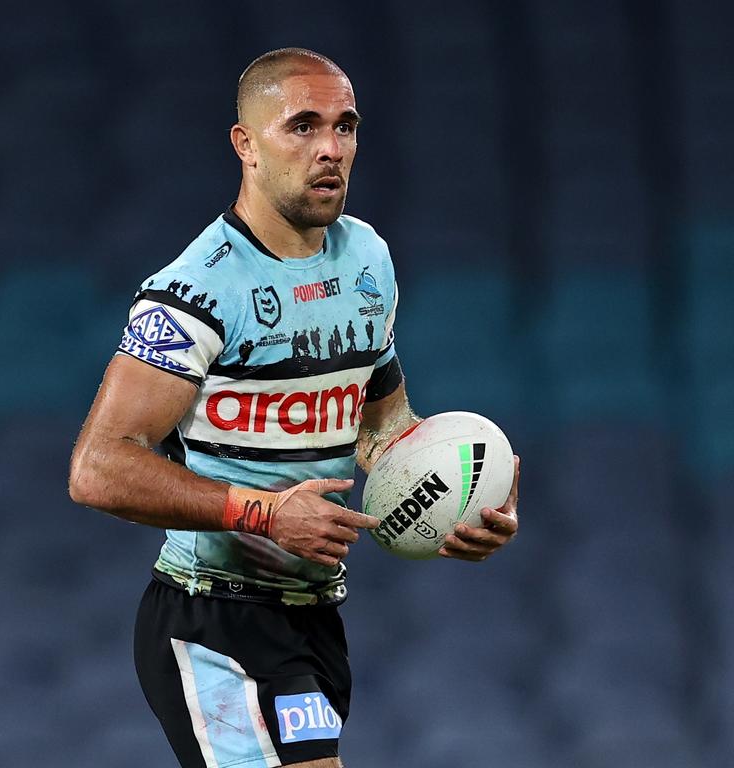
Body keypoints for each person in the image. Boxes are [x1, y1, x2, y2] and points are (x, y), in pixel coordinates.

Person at [69, 47, 520, 768]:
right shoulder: (193, 292)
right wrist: (266, 512)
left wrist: (462, 493)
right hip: (209, 617)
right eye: (302, 127)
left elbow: (380, 425)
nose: (330, 149)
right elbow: (97, 469)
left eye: (345, 127)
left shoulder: (366, 260)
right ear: (245, 144)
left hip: (313, 617)